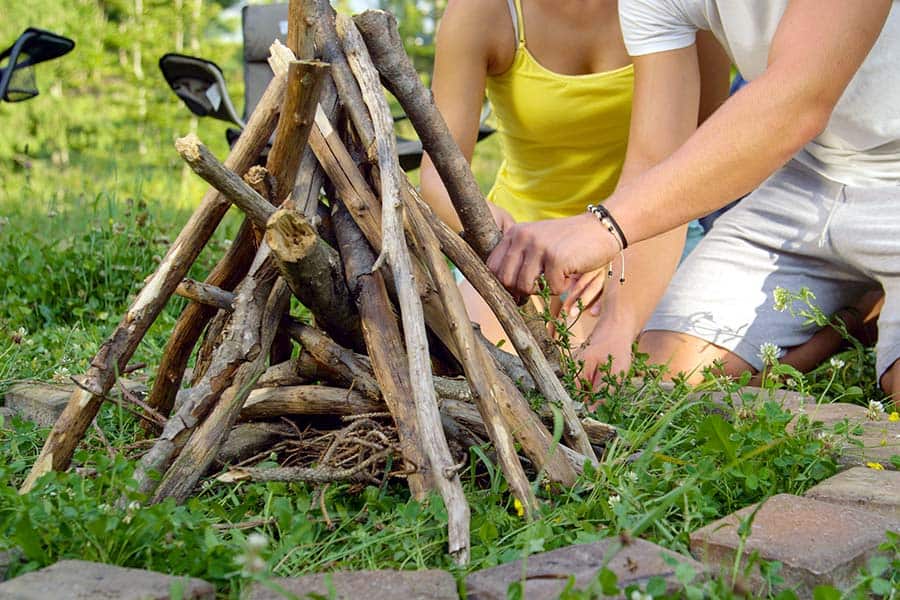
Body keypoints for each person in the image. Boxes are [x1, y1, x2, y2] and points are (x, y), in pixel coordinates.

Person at [486, 0, 900, 395]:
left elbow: (799, 100)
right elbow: (657, 154)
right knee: (657, 374)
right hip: (807, 176)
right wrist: (618, 321)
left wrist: (603, 225)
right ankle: (861, 312)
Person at [420, 0, 636, 347]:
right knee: (484, 356)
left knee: (589, 365)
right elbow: (436, 177)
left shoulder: (675, 8)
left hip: (637, 231)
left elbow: (696, 151)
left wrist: (613, 240)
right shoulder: (483, 11)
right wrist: (496, 234)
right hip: (520, 238)